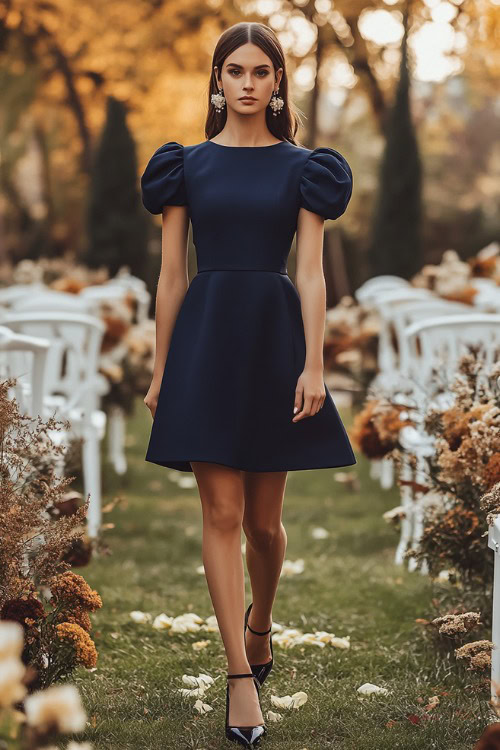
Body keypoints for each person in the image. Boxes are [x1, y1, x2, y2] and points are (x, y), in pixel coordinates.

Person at [141, 20, 356, 748]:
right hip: (205, 340)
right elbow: (172, 275)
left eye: (260, 72)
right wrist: (163, 368)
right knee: (222, 514)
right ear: (217, 80)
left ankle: (261, 622)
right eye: (234, 70)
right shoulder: (184, 166)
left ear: (276, 84)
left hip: (274, 339)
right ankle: (239, 677)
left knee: (264, 524)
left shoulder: (306, 168)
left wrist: (315, 362)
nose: (246, 83)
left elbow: (312, 271)